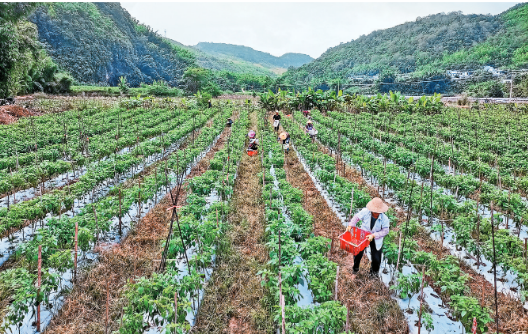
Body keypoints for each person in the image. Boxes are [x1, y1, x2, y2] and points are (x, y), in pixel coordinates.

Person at [346, 197, 390, 277]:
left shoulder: (384, 219)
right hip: (364, 235)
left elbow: (385, 231)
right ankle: (355, 270)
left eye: (378, 211)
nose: (376, 213)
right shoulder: (365, 212)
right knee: (358, 253)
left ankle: (373, 274)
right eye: (375, 211)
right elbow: (356, 218)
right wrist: (350, 225)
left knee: (376, 259)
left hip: (376, 239)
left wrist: (374, 235)